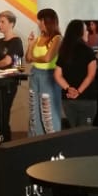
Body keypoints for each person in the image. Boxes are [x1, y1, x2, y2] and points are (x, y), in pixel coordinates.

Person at [0, 10, 24, 142]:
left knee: (2, 115)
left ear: (11, 24)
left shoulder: (16, 41)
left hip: (8, 83)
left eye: (3, 22)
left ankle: (6, 143)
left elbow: (8, 61)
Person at [25, 8, 62, 136]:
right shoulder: (38, 38)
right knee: (34, 111)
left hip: (49, 76)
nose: (39, 23)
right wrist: (30, 44)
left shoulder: (57, 38)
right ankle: (35, 139)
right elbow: (27, 59)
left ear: (47, 21)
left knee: (48, 112)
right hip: (35, 74)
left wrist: (34, 58)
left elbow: (48, 58)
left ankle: (52, 142)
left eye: (41, 20)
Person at [54, 20, 98, 128]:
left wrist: (68, 88)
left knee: (70, 132)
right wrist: (78, 91)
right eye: (85, 30)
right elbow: (91, 75)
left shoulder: (64, 52)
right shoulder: (88, 51)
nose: (87, 32)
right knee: (85, 131)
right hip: (87, 98)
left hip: (67, 99)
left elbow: (57, 75)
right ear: (79, 33)